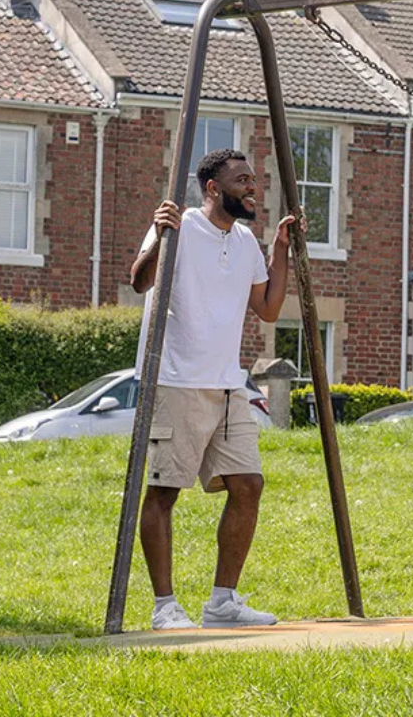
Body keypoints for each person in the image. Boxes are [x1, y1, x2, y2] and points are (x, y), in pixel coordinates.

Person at [130, 148, 297, 630]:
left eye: (253, 179)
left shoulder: (245, 242)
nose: (252, 187)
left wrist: (281, 248)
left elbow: (268, 309)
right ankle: (164, 607)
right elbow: (139, 281)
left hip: (227, 384)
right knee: (164, 492)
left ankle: (223, 602)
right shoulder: (178, 225)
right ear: (212, 188)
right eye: (242, 180)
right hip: (176, 379)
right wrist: (160, 237)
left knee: (248, 485)